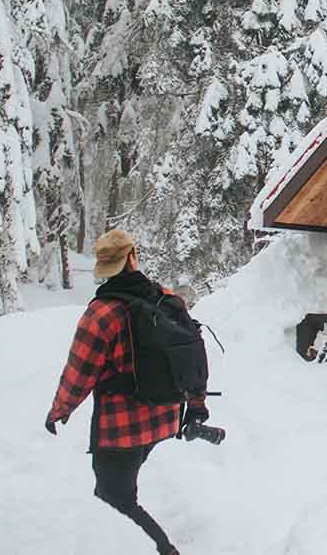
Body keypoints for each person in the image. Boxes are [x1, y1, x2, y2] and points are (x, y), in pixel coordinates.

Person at [45, 229, 207, 555]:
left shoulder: (101, 314)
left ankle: (165, 550)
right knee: (120, 490)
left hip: (122, 430)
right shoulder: (166, 298)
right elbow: (189, 355)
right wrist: (196, 404)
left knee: (113, 498)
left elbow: (79, 374)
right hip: (165, 418)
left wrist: (59, 411)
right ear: (133, 256)